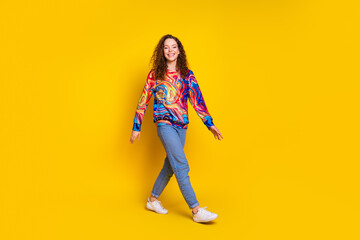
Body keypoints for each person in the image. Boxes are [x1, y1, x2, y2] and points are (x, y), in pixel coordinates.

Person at [129, 34, 223, 223]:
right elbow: (143, 101)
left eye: (174, 47)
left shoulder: (187, 74)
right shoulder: (155, 75)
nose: (170, 50)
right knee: (181, 164)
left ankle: (152, 200)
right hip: (164, 124)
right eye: (166, 47)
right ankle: (196, 210)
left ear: (179, 51)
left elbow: (198, 101)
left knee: (170, 166)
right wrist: (136, 126)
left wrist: (209, 124)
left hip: (182, 127)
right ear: (161, 52)